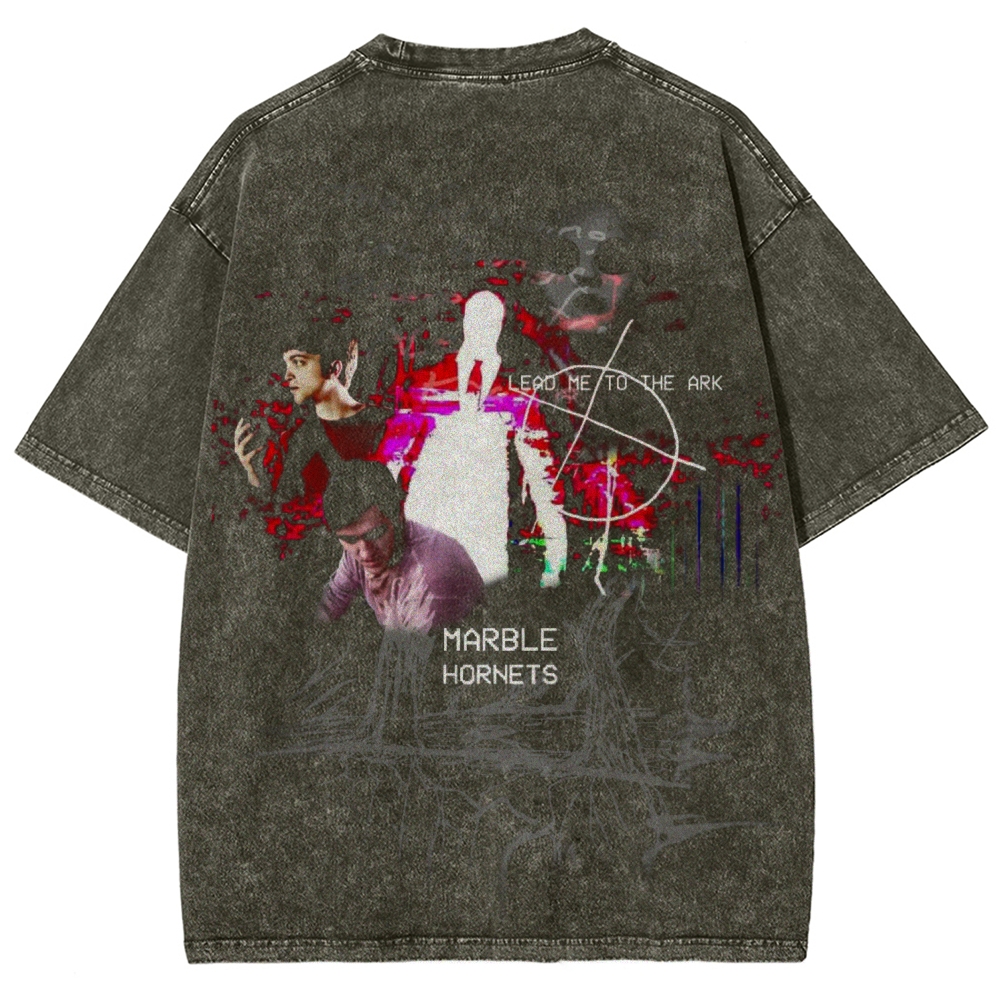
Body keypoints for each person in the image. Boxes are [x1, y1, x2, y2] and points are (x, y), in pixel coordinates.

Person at [319, 460, 483, 633]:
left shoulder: (431, 579)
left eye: (375, 533)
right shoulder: (360, 547)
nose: (365, 553)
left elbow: (419, 648)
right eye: (349, 539)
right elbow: (331, 601)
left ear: (398, 515)